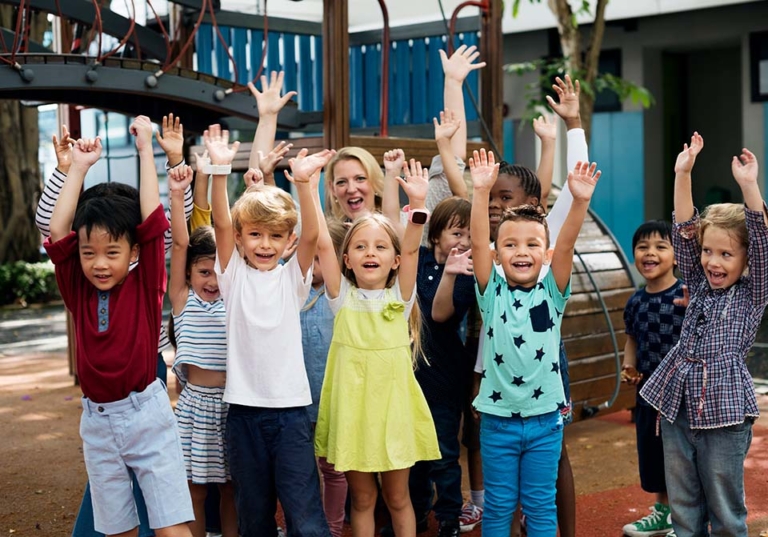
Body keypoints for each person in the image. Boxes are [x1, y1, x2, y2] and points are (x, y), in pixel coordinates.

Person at [43, 117, 194, 537]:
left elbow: (152, 224)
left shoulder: (146, 284)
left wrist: (147, 149)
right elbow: (58, 232)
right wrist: (78, 168)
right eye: (89, 253)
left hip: (146, 415)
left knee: (170, 525)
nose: (100, 263)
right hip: (97, 421)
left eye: (112, 252)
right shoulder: (77, 286)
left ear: (132, 252)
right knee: (117, 528)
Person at [209, 121, 334, 537]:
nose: (265, 244)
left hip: (292, 415)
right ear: (242, 239)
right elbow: (222, 224)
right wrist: (220, 170)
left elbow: (314, 234)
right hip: (243, 414)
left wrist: (303, 184)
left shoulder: (290, 280)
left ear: (288, 241)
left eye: (275, 236)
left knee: (306, 516)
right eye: (256, 235)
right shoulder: (232, 277)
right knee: (254, 515)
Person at [640, 134, 768, 537]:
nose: (713, 261)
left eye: (726, 254)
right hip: (678, 406)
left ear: (746, 260)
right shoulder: (697, 281)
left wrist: (749, 185)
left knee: (726, 509)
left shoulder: (753, 293)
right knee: (683, 506)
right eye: (708, 251)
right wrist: (683, 172)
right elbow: (683, 229)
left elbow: (762, 240)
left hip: (725, 413)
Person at [470, 147, 600, 536]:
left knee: (542, 509)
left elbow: (567, 244)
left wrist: (579, 201)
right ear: (497, 255)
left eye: (530, 245)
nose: (520, 251)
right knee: (497, 509)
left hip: (545, 421)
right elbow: (478, 244)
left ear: (544, 255)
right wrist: (480, 193)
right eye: (510, 244)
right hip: (497, 423)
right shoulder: (490, 293)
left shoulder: (552, 293)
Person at [314, 158, 440, 537]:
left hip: (393, 413)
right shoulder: (341, 298)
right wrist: (306, 185)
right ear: (347, 260)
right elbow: (321, 241)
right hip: (354, 415)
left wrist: (417, 203)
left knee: (398, 499)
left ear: (395, 260)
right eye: (361, 247)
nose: (371, 253)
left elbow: (415, 250)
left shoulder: (400, 299)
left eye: (381, 247)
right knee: (363, 500)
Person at [166, 164, 237, 537]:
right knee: (193, 488)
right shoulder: (182, 299)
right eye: (203, 272)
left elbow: (227, 231)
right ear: (190, 274)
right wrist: (178, 195)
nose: (212, 280)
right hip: (194, 407)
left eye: (218, 272)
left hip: (231, 404)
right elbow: (180, 243)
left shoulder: (235, 299)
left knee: (230, 488)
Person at [408, 197, 476, 537]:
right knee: (411, 453)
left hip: (445, 373)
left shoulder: (465, 272)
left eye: (468, 234)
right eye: (456, 233)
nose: (463, 241)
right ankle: (415, 512)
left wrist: (450, 272)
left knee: (443, 452)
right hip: (408, 372)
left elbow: (439, 314)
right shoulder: (416, 260)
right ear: (436, 235)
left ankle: (449, 516)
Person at [621, 221, 686, 537]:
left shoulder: (684, 295)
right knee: (655, 457)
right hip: (648, 395)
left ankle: (686, 519)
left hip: (681, 397)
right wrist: (628, 366)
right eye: (643, 247)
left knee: (681, 459)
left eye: (661, 246)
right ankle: (664, 513)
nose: (650, 253)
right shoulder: (635, 301)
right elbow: (631, 338)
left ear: (676, 256)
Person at [300, 217, 349, 537]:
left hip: (334, 399)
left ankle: (332, 528)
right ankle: (305, 525)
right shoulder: (295, 290)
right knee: (302, 470)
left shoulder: (342, 294)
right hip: (300, 399)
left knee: (334, 469)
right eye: (311, 257)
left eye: (322, 257)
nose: (315, 265)